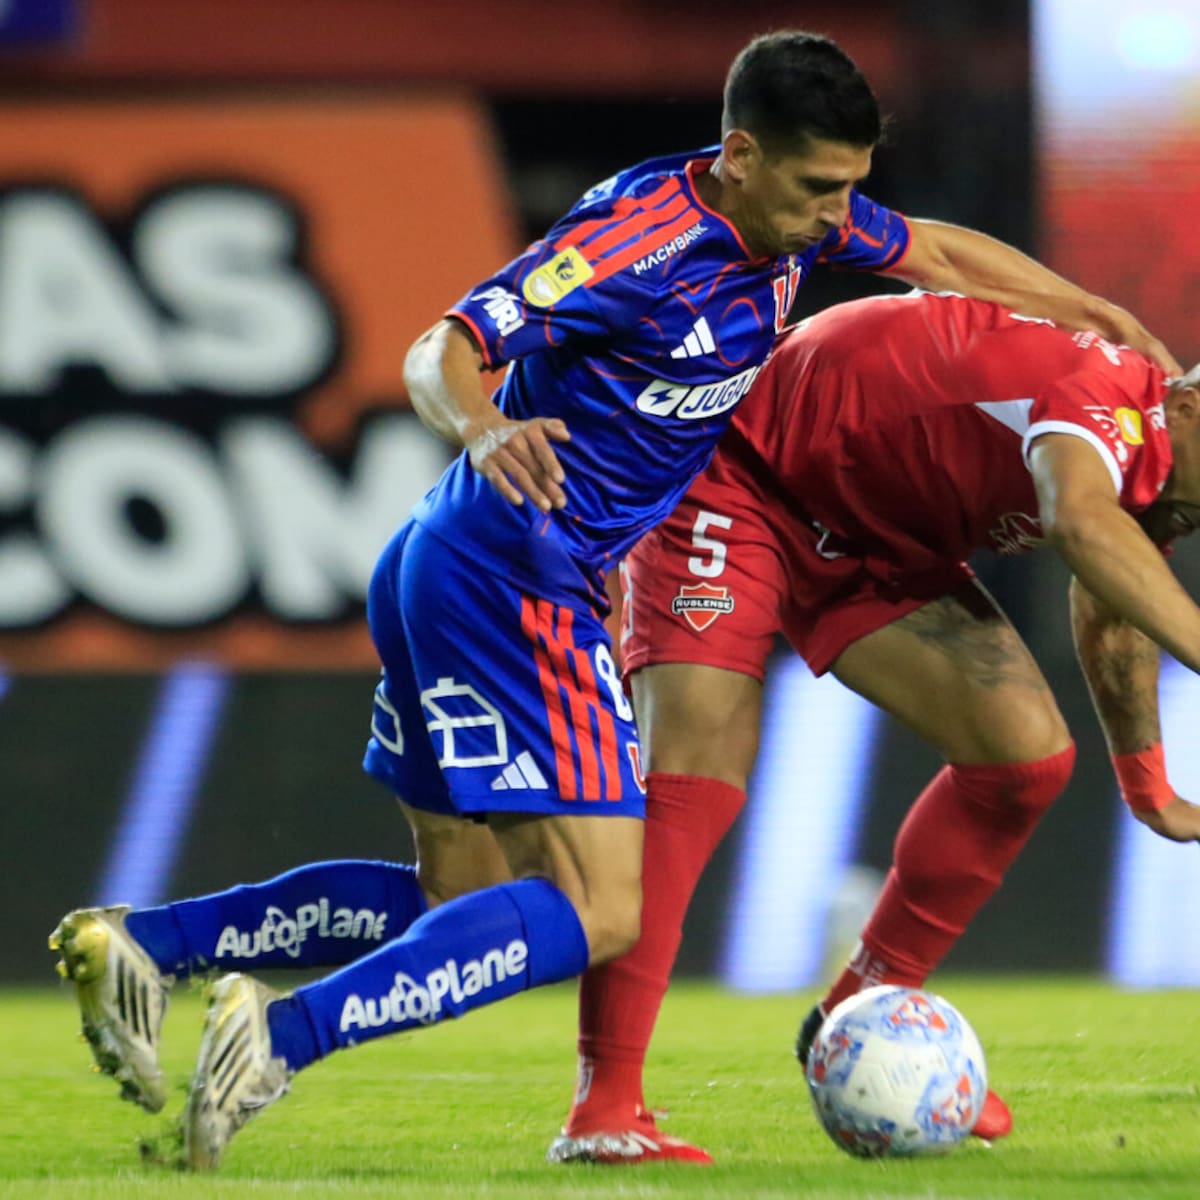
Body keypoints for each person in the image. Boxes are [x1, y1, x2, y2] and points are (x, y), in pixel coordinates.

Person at [49, 32, 1176, 1169]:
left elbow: (931, 248)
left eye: (850, 186)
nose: (838, 215)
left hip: (448, 564)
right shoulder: (637, 242)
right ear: (741, 155)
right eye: (818, 186)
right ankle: (289, 1038)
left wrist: (1094, 310)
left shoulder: (794, 220)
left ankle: (152, 945)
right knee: (600, 909)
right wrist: (484, 426)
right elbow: (442, 346)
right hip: (518, 578)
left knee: (466, 894)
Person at [547, 288, 1200, 1165]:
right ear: (1186, 404)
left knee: (1023, 759)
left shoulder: (1163, 471)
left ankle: (856, 1018)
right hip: (740, 465)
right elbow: (1080, 524)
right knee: (697, 775)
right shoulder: (1102, 394)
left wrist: (1147, 782)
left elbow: (1113, 601)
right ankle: (603, 1106)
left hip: (872, 530)